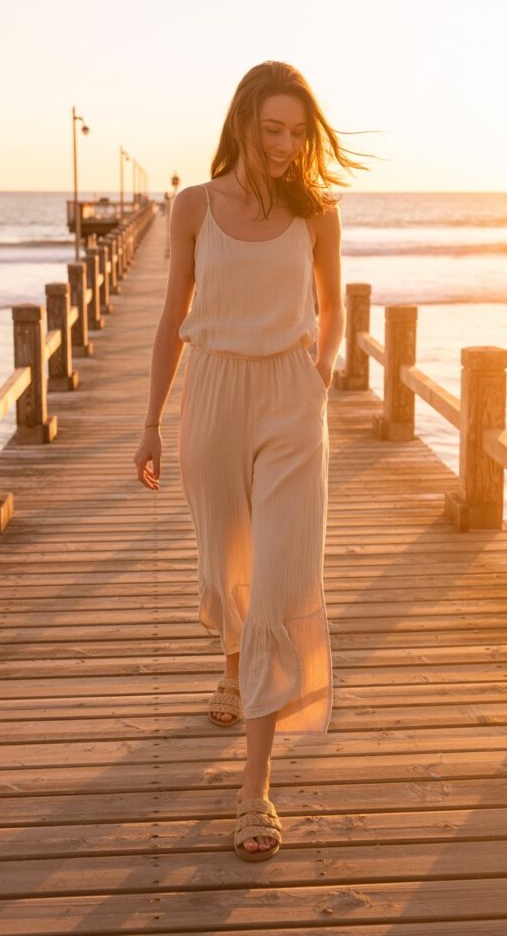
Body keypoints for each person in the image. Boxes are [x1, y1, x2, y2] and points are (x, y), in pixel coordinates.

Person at [133, 60, 369, 860]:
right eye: (273, 129)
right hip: (214, 393)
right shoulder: (193, 207)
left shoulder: (318, 211)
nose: (286, 145)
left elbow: (334, 307)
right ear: (240, 123)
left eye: (299, 132)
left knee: (278, 583)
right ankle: (231, 666)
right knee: (224, 561)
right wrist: (149, 423)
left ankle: (254, 788)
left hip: (291, 403)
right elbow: (171, 319)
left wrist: (321, 370)